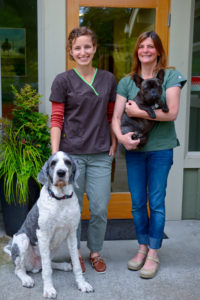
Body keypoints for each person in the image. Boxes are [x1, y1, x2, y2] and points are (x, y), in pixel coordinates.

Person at [112, 31, 186, 279]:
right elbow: (115, 118)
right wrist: (121, 138)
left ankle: (153, 252)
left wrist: (141, 114)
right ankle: (142, 246)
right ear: (137, 51)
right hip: (134, 148)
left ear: (158, 51)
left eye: (150, 46)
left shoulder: (171, 76)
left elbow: (172, 112)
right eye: (142, 46)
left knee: (156, 202)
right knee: (136, 203)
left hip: (161, 150)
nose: (146, 50)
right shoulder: (126, 82)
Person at [49, 27, 117, 274]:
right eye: (77, 48)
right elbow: (56, 118)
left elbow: (111, 116)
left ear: (95, 48)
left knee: (99, 207)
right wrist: (57, 156)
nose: (83, 51)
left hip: (100, 153)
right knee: (72, 209)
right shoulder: (63, 80)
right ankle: (75, 252)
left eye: (87, 46)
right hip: (72, 156)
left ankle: (95, 251)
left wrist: (114, 141)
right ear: (71, 51)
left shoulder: (108, 79)